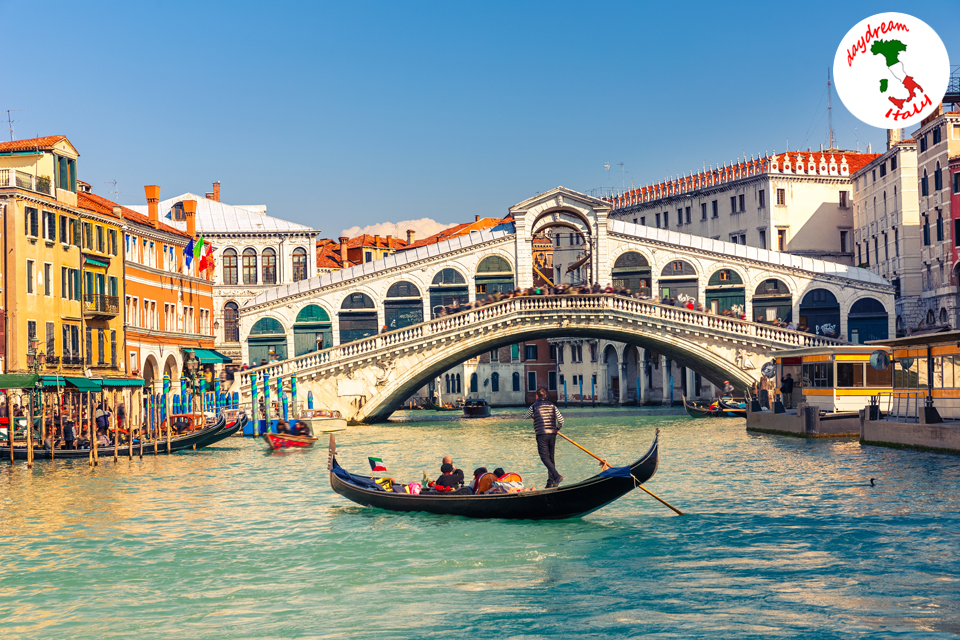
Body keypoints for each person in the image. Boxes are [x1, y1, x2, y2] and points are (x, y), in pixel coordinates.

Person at [525, 387, 564, 488]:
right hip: (552, 434)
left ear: (536, 396)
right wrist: (557, 428)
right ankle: (550, 483)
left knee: (544, 457)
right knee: (551, 458)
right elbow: (561, 421)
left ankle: (556, 476)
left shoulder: (534, 406)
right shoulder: (553, 405)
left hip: (541, 434)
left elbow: (526, 416)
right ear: (545, 396)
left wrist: (534, 416)